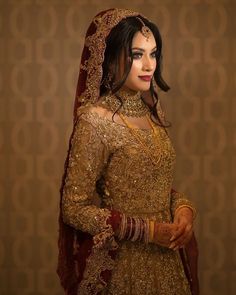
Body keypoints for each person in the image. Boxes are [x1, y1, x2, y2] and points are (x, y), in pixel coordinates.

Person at [57, 8, 199, 295]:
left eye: (154, 53)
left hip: (169, 262)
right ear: (109, 60)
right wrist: (146, 231)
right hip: (123, 267)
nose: (149, 65)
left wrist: (183, 210)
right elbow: (73, 208)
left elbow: (153, 185)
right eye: (137, 55)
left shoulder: (153, 111)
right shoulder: (95, 120)